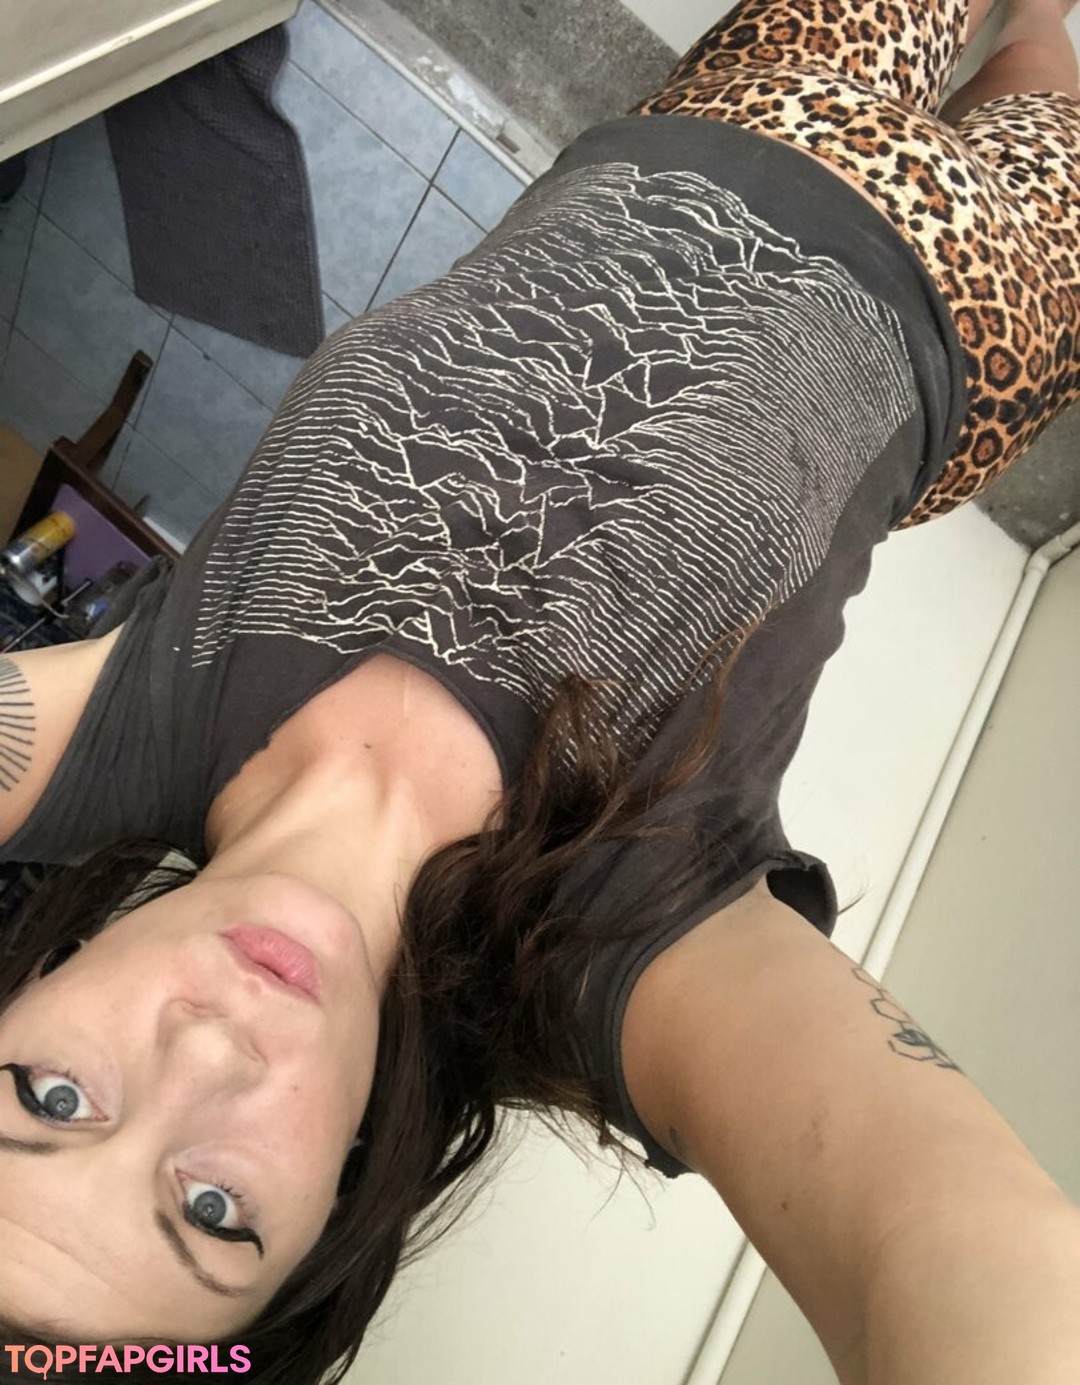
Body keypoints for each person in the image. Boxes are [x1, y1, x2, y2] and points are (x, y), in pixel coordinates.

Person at [1, 0, 1078, 1380]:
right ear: (326, 1223)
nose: (204, 1049)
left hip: (726, 112)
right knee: (1035, 60)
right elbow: (959, 1257)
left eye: (52, 1095)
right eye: (213, 1210)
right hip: (973, 299)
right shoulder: (613, 941)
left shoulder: (118, 724)